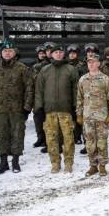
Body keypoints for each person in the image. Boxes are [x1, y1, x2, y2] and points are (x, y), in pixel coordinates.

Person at [0, 39, 33, 174]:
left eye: (10, 51)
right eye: (5, 51)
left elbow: (29, 88)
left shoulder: (22, 68)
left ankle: (15, 161)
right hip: (0, 109)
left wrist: (27, 107)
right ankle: (3, 162)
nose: (7, 53)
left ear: (14, 53)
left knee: (18, 134)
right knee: (2, 135)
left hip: (17, 109)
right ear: (1, 53)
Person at [35, 44, 78, 173]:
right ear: (51, 54)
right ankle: (55, 163)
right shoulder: (45, 70)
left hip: (66, 111)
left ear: (63, 54)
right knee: (51, 140)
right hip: (49, 112)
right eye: (55, 52)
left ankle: (68, 163)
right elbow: (39, 91)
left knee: (68, 139)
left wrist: (75, 109)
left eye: (60, 52)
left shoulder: (71, 69)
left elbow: (76, 90)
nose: (58, 54)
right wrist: (39, 109)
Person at [76, 54, 109, 177]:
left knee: (102, 142)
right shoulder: (83, 79)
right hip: (87, 117)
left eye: (94, 62)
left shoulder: (105, 79)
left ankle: (102, 166)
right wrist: (79, 114)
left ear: (99, 63)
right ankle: (93, 166)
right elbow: (79, 98)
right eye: (89, 62)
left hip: (101, 117)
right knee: (89, 143)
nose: (91, 64)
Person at [32, 45, 48, 148]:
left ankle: (47, 140)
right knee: (38, 118)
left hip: (46, 94)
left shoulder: (48, 64)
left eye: (43, 53)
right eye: (40, 54)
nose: (42, 55)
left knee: (47, 118)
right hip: (37, 95)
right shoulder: (34, 65)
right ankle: (40, 138)